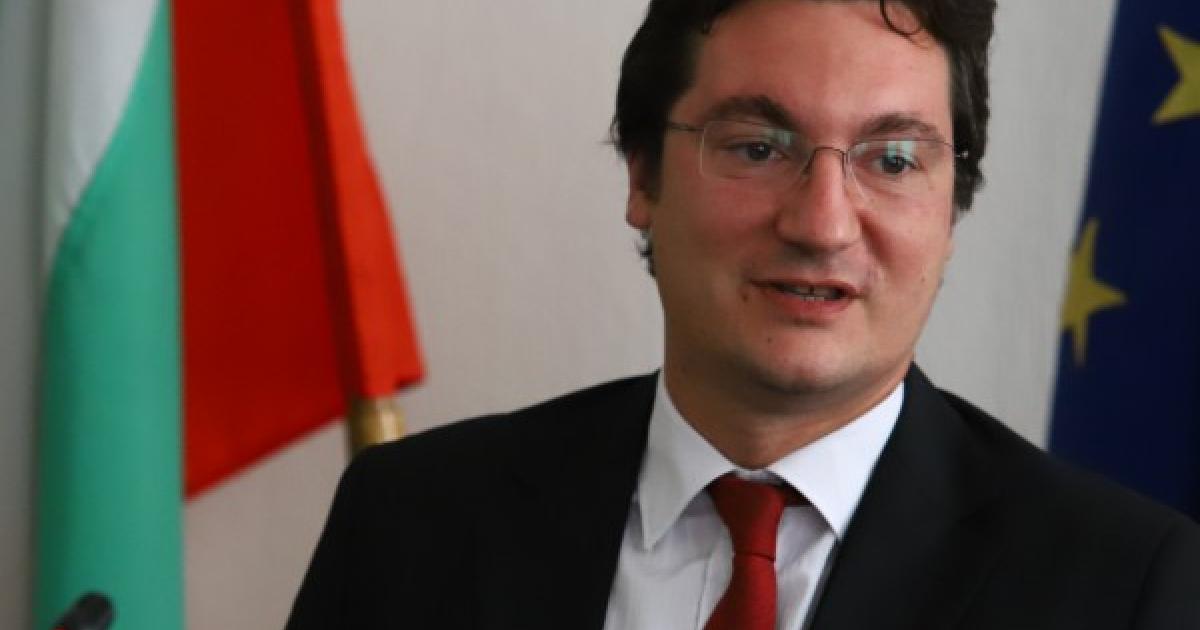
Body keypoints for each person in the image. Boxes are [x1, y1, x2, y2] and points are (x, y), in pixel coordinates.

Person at [286, 0, 1200, 628]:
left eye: (892, 160)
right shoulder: (409, 524)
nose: (823, 224)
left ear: (950, 208)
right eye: (759, 147)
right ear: (643, 175)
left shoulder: (1121, 587)